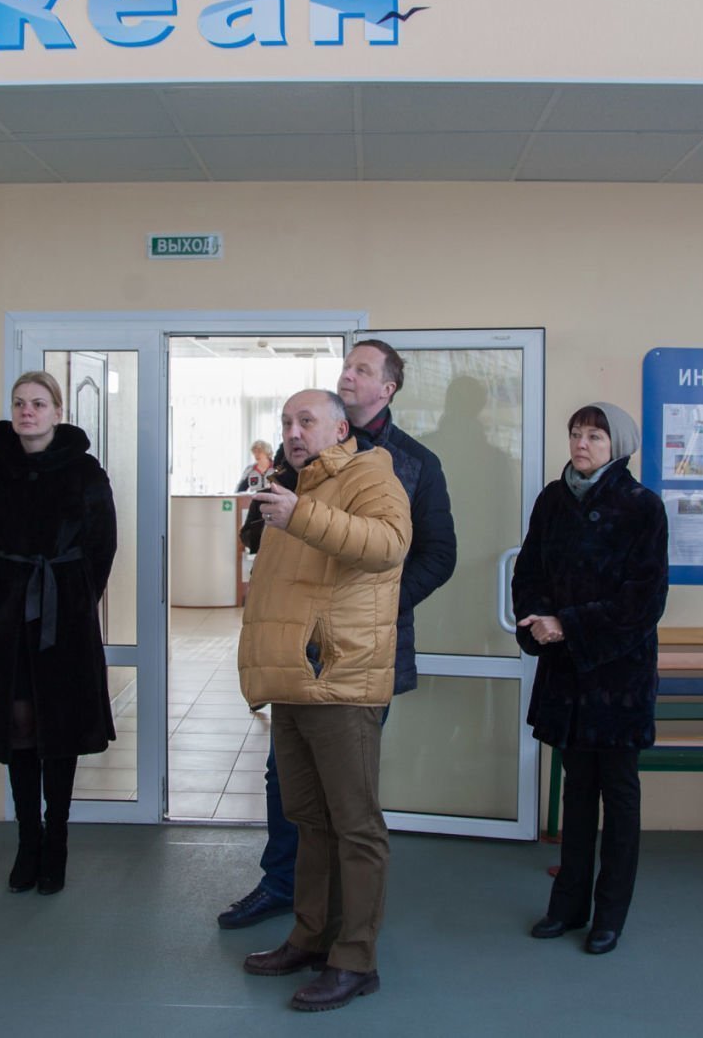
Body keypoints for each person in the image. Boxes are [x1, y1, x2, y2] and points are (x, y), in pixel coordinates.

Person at [219, 340, 456, 930]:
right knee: (288, 783)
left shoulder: (407, 462)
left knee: (348, 797)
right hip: (295, 653)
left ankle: (348, 930)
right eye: (346, 366)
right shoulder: (296, 456)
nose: (348, 374)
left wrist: (367, 608)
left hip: (361, 650)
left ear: (387, 388)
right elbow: (265, 536)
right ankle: (287, 891)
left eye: (362, 369)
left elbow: (434, 554)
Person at [237, 389, 410, 1011]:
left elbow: (388, 544)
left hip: (341, 679)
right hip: (295, 678)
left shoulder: (370, 472)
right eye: (287, 421)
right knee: (308, 819)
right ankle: (311, 938)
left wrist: (302, 514)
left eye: (306, 420)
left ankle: (355, 960)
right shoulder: (294, 485)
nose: (293, 431)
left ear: (341, 428)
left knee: (355, 827)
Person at [513, 401, 668, 955]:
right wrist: (538, 620)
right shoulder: (553, 500)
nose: (581, 444)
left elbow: (644, 600)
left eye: (595, 436)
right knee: (576, 790)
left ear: (617, 446)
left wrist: (569, 625)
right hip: (566, 672)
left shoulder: (642, 506)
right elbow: (529, 570)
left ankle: (610, 915)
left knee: (619, 795)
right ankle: (567, 906)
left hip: (618, 675)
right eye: (576, 433)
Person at [0, 371, 117, 896]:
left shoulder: (85, 472)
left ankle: (57, 840)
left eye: (37, 403)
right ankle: (27, 841)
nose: (26, 412)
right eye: (19, 403)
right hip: (6, 616)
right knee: (19, 728)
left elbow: (102, 546)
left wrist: (74, 599)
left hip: (65, 615)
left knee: (60, 727)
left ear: (57, 411)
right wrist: (8, 592)